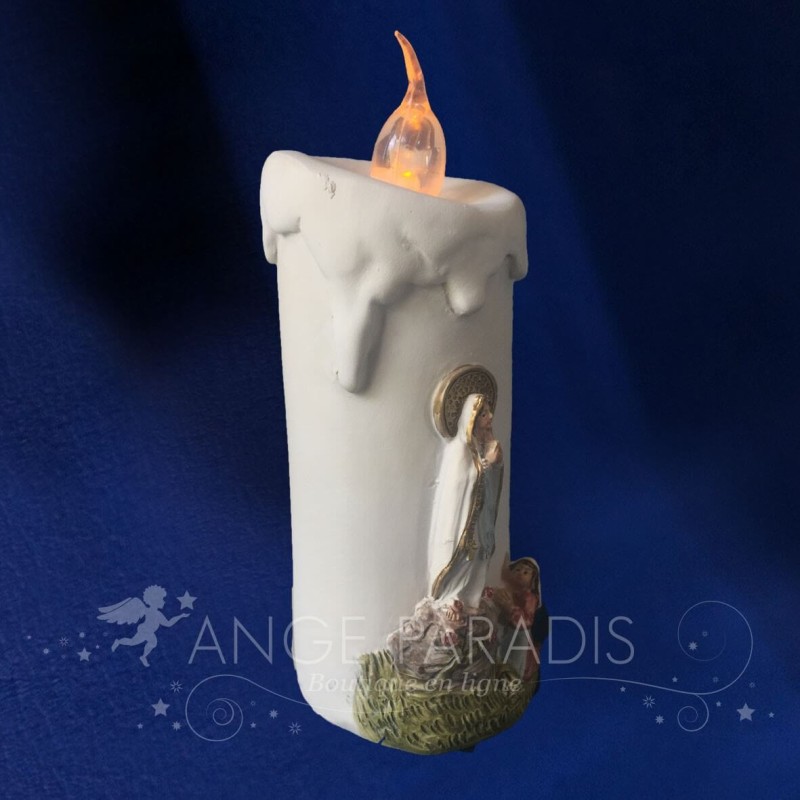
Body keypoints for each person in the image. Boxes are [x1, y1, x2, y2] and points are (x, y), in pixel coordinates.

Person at [428, 393, 504, 615]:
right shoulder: (459, 449)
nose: (490, 417)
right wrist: (486, 464)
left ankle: (470, 599)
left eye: (489, 412)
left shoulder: (483, 444)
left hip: (478, 519)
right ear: (471, 417)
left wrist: (495, 463)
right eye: (483, 414)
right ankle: (449, 597)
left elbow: (490, 477)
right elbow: (460, 483)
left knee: (480, 553)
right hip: (461, 520)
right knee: (464, 556)